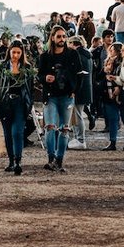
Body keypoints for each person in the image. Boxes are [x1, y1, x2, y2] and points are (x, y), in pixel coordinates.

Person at [38, 25, 79, 171]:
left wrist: (75, 90)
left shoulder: (73, 54)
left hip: (67, 95)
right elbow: (39, 75)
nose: (62, 39)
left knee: (65, 129)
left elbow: (79, 74)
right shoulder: (45, 56)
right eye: (59, 36)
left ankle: (59, 159)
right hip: (50, 96)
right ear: (53, 38)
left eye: (63, 36)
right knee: (50, 127)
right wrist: (45, 78)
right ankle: (51, 158)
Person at [0, 41, 34, 175]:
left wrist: (29, 104)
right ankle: (11, 161)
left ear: (22, 54)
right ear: (9, 52)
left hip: (20, 103)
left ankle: (18, 161)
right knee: (8, 133)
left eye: (18, 52)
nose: (15, 55)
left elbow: (30, 88)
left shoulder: (27, 67)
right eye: (13, 52)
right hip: (5, 103)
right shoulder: (2, 66)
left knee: (17, 132)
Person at [68, 36, 94, 148]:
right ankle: (78, 138)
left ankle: (80, 139)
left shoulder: (77, 55)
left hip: (79, 89)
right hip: (85, 88)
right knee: (77, 114)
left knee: (77, 115)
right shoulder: (87, 55)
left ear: (73, 43)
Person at [99, 43, 123, 151]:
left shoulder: (121, 63)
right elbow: (99, 76)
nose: (111, 52)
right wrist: (104, 71)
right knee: (112, 118)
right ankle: (112, 141)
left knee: (118, 118)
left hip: (118, 92)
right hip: (107, 93)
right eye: (111, 50)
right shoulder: (107, 61)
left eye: (113, 50)